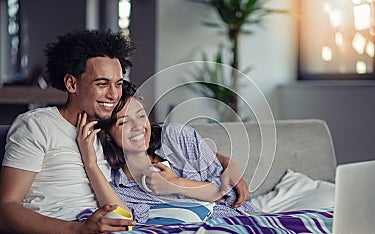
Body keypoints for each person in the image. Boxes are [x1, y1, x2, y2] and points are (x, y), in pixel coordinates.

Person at [0, 29, 135, 234]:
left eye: (118, 84)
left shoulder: (101, 132)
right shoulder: (37, 125)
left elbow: (121, 211)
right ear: (71, 83)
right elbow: (5, 210)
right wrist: (78, 230)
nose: (114, 94)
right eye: (102, 84)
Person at [77, 81, 260, 223]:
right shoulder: (119, 186)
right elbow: (123, 220)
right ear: (108, 135)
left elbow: (228, 192)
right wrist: (90, 163)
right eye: (124, 122)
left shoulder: (177, 138)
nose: (138, 127)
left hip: (246, 221)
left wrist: (175, 184)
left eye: (141, 116)